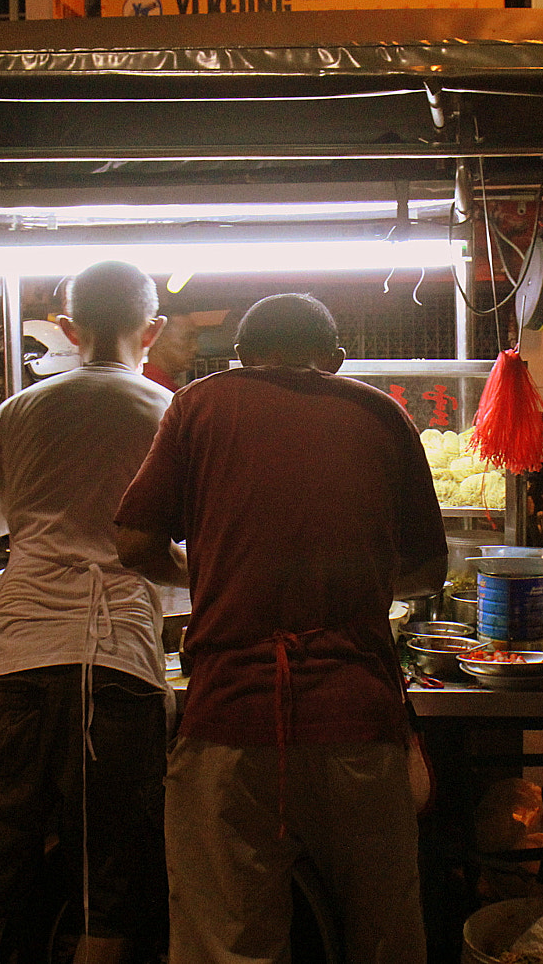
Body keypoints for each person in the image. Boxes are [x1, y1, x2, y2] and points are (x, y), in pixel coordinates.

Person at [115, 293, 447, 964]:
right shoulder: (381, 413)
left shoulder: (199, 405)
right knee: (384, 941)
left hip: (230, 723)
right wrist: (356, 579)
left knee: (227, 944)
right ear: (336, 360)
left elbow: (134, 542)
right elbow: (427, 568)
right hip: (358, 725)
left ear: (239, 358)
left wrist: (203, 574)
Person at [0, 261, 173, 964]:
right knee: (108, 900)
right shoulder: (168, 413)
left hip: (13, 663)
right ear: (150, 331)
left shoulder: (20, 411)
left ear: (67, 330)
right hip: (117, 670)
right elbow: (171, 553)